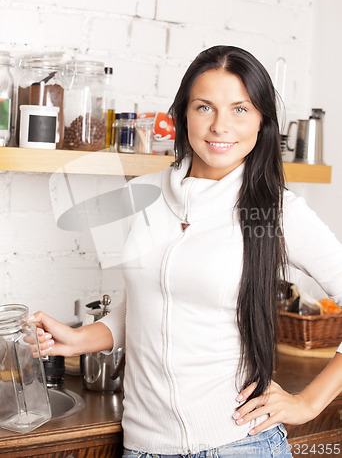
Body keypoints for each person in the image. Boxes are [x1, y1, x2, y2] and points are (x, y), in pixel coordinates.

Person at [30, 46, 342, 458]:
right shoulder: (142, 195)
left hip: (239, 444)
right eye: (204, 107)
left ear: (263, 121)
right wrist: (79, 339)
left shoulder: (277, 209)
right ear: (182, 115)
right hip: (144, 447)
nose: (220, 126)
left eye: (240, 110)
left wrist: (309, 402)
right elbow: (152, 294)